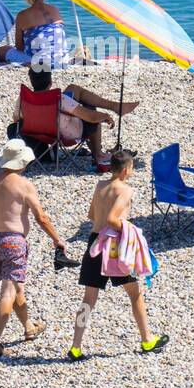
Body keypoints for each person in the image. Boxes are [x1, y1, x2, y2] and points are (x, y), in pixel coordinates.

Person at [0, 139, 71, 358]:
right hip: (13, 242)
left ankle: (28, 327)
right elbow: (41, 217)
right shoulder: (24, 185)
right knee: (8, 290)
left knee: (16, 287)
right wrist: (57, 240)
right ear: (22, 161)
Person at [70, 149, 168, 361]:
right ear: (125, 170)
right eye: (132, 168)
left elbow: (92, 215)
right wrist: (129, 231)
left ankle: (75, 346)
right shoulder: (125, 190)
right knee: (135, 294)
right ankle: (147, 339)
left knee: (88, 299)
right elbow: (113, 219)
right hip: (114, 246)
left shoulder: (100, 186)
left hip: (94, 242)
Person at [14, 67, 138, 170]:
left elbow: (16, 120)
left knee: (73, 89)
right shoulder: (58, 99)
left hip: (39, 133)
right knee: (91, 111)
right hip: (64, 135)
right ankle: (98, 154)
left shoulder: (24, 100)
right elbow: (90, 117)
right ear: (50, 82)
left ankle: (116, 107)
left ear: (31, 80)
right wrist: (104, 116)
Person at [0, 0, 70, 68]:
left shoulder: (22, 15)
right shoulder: (55, 9)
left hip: (38, 62)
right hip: (62, 59)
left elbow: (19, 47)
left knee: (1, 51)